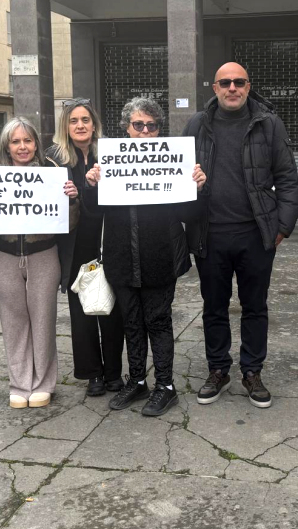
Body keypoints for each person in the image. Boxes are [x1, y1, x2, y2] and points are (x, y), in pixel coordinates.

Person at [184, 62, 298, 409]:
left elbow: (287, 177)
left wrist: (283, 227)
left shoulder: (268, 123)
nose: (231, 88)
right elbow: (178, 175)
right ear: (215, 87)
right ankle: (218, 369)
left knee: (255, 307)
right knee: (214, 308)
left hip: (255, 234)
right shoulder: (196, 125)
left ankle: (252, 371)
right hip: (209, 234)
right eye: (225, 83)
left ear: (248, 86)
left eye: (238, 82)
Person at [84, 97, 206, 417]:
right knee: (132, 323)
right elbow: (94, 213)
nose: (145, 131)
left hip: (160, 256)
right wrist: (92, 185)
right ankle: (137, 380)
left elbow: (189, 214)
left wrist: (197, 188)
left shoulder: (174, 162)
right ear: (126, 128)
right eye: (138, 125)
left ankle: (165, 386)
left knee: (158, 321)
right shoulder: (109, 163)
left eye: (152, 126)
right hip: (122, 256)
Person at [0, 117, 78, 409]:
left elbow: (69, 224)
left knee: (43, 320)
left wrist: (72, 200)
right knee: (13, 322)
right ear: (7, 147)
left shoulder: (53, 175)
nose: (22, 146)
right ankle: (20, 384)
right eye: (15, 141)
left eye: (27, 140)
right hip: (4, 257)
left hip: (43, 255)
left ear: (36, 144)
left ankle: (43, 384)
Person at [46, 100, 125, 398]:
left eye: (85, 120)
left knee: (112, 308)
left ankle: (114, 372)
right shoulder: (53, 159)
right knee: (82, 312)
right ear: (65, 126)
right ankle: (93, 374)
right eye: (73, 120)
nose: (80, 125)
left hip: (109, 239)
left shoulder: (110, 153)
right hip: (75, 244)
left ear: (94, 125)